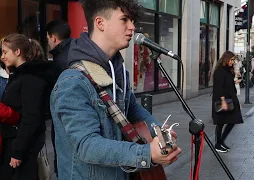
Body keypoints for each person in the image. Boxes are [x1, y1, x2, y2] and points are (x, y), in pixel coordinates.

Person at [49, 0, 182, 179]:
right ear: (100, 23)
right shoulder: (72, 82)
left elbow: (132, 109)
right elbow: (87, 145)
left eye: (132, 20)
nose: (132, 27)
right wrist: (146, 153)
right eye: (124, 19)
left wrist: (158, 131)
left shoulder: (118, 71)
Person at [0, 34, 52, 180]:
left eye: (5, 52)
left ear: (17, 52)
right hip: (14, 142)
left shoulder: (30, 78)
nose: (2, 56)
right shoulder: (18, 75)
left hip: (21, 145)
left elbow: (31, 116)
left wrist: (18, 151)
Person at [46, 19, 72, 177]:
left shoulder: (61, 60)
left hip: (65, 118)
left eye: (48, 39)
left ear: (53, 38)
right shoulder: (75, 50)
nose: (48, 42)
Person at [212, 51, 243, 153]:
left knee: (233, 120)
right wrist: (223, 100)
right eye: (231, 60)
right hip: (223, 99)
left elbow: (227, 83)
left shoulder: (229, 70)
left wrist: (235, 81)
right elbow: (218, 87)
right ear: (226, 59)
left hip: (231, 98)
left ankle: (221, 141)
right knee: (220, 122)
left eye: (233, 60)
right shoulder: (220, 71)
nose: (233, 62)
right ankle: (218, 143)